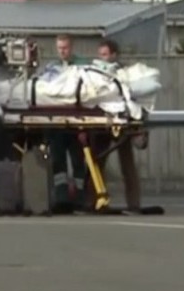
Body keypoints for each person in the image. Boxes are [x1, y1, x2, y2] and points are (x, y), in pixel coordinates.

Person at [88, 38, 143, 211]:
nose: (102, 58)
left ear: (114, 55)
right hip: (102, 121)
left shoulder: (123, 74)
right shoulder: (95, 73)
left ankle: (133, 203)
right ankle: (95, 200)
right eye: (100, 55)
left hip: (121, 121)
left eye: (105, 54)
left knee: (127, 163)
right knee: (97, 162)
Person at [42, 34, 89, 209]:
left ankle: (80, 197)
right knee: (58, 161)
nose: (62, 51)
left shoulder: (82, 66)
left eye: (65, 48)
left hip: (77, 121)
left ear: (72, 47)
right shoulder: (51, 68)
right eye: (60, 48)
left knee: (78, 161)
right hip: (57, 122)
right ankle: (61, 197)